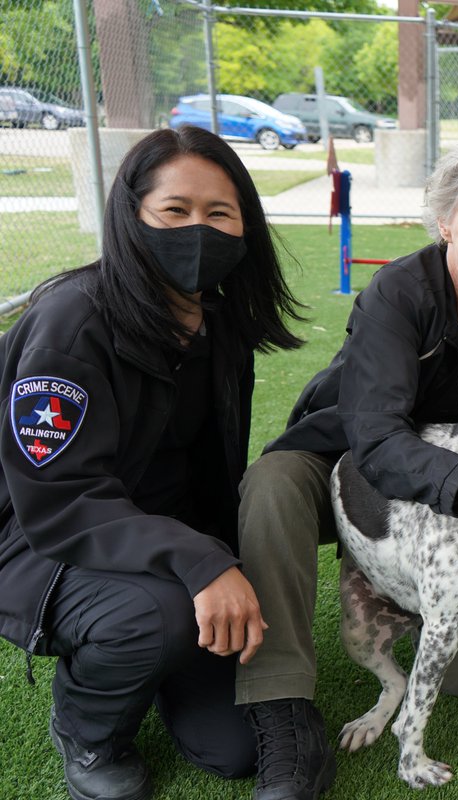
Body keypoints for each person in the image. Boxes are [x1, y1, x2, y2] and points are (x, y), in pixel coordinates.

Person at [234, 129, 458, 800]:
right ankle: (281, 702)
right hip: (348, 463)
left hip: (456, 509)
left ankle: (448, 605)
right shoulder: (398, 294)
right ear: (446, 222)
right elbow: (374, 439)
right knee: (273, 484)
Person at [0, 126, 304, 800]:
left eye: (220, 214)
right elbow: (59, 498)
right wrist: (200, 564)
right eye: (175, 211)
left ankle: (157, 636)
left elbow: (208, 474)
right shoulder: (71, 321)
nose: (199, 230)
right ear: (131, 217)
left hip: (153, 540)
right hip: (37, 539)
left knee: (232, 750)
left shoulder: (219, 327)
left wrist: (225, 556)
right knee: (155, 617)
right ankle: (85, 729)